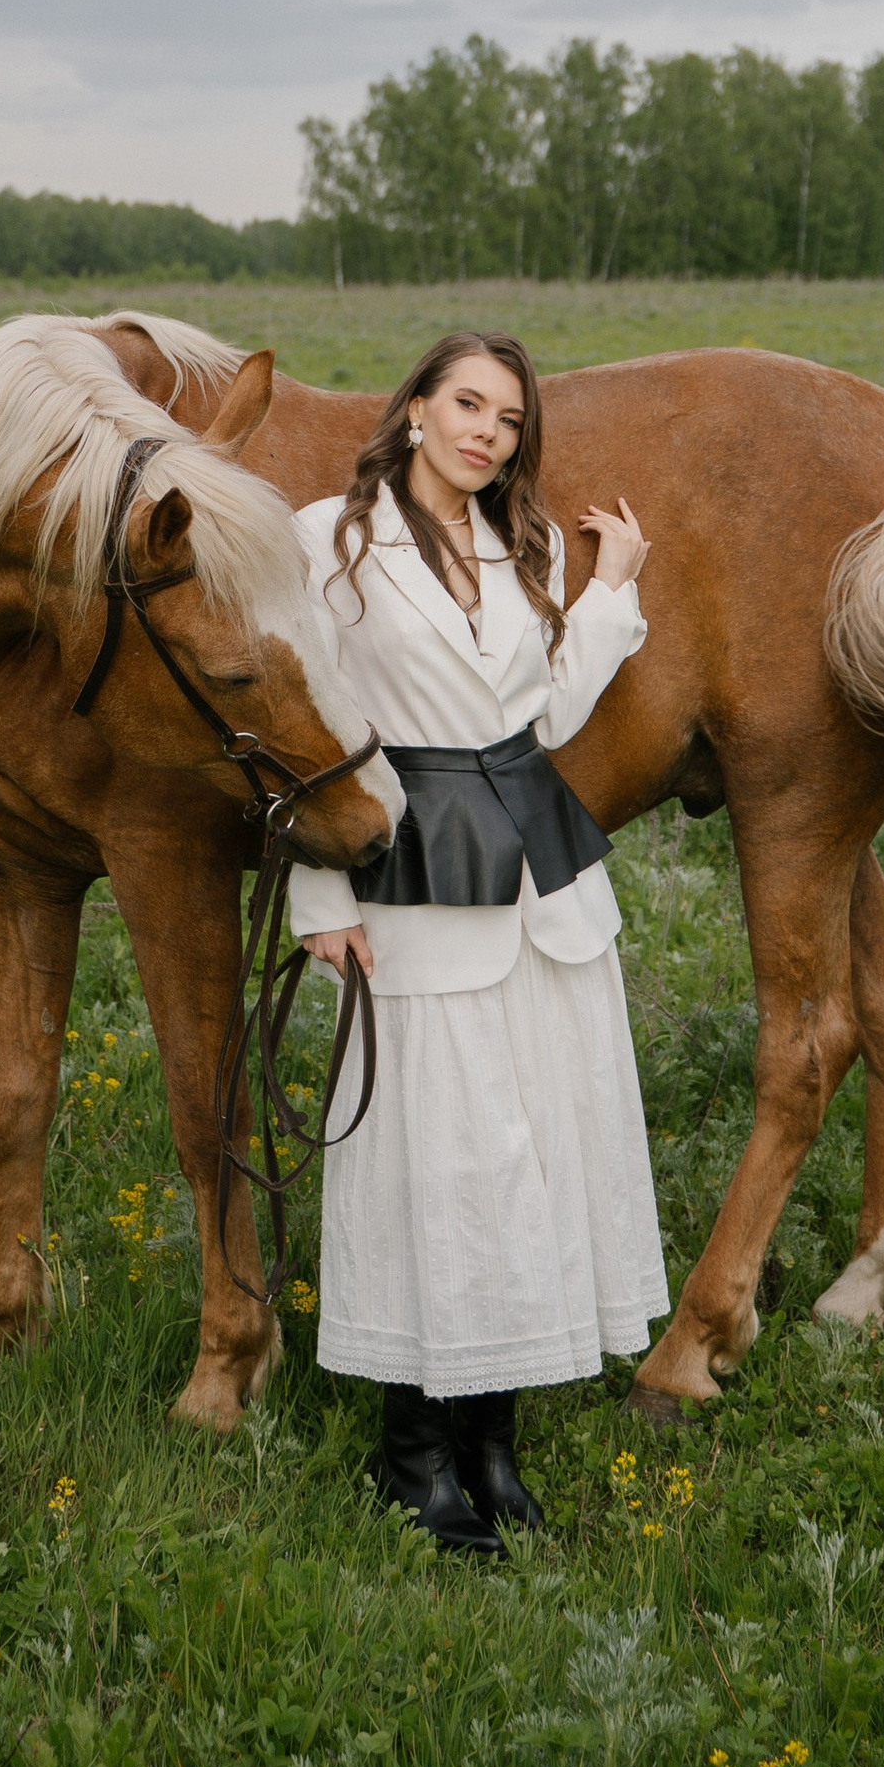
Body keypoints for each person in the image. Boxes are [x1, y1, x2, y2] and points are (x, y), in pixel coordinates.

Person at [288, 331, 664, 1557]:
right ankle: (412, 1454)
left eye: (507, 419)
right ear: (412, 409)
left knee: (534, 1160)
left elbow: (548, 711)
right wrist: (321, 903)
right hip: (411, 877)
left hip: (541, 888)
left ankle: (490, 1443)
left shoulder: (524, 546)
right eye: (466, 403)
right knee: (436, 1166)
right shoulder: (328, 543)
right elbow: (311, 729)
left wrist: (611, 594)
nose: (485, 432)